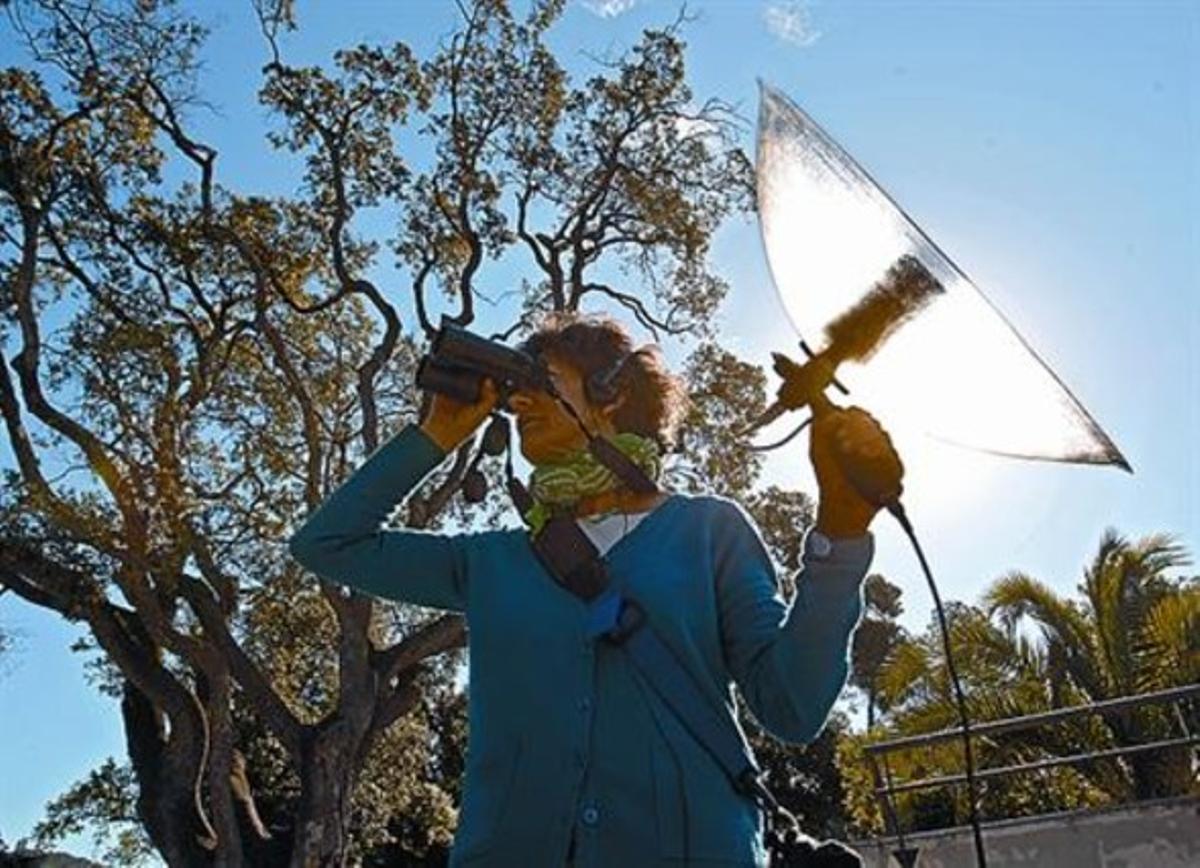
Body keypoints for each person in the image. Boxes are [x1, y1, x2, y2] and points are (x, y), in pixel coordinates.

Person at [288, 312, 904, 867]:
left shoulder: (708, 531)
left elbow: (792, 707)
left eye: (539, 378)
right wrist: (435, 437)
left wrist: (841, 537)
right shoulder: (494, 560)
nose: (519, 400)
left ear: (612, 397)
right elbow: (327, 544)